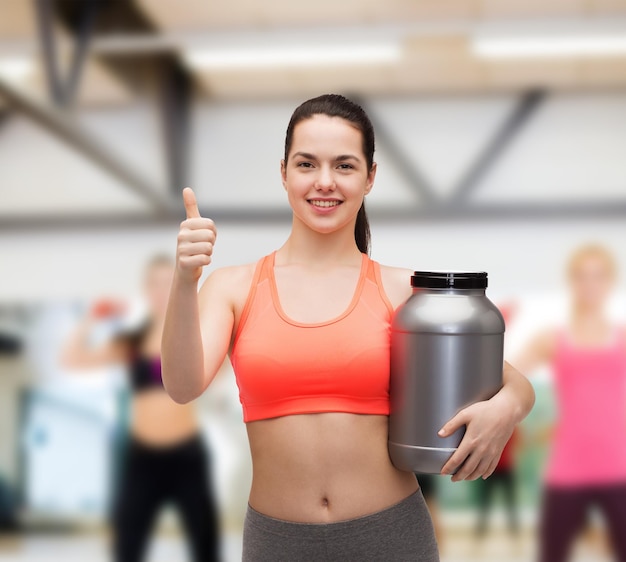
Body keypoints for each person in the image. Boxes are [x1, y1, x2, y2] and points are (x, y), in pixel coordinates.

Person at [162, 94, 535, 561]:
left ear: (370, 176)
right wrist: (184, 279)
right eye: (306, 164)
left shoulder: (403, 291)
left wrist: (507, 410)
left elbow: (511, 381)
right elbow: (181, 385)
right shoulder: (233, 286)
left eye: (344, 165)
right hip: (278, 544)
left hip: (391, 536)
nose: (324, 182)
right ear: (283, 173)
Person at [62, 255, 220, 562]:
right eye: (155, 284)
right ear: (146, 289)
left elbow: (226, 366)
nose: (161, 290)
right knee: (127, 547)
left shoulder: (195, 337)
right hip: (142, 458)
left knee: (205, 546)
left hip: (187, 457)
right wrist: (91, 319)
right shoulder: (130, 342)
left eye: (168, 282)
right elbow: (73, 359)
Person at [515, 244, 626, 562]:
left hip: (618, 467)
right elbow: (507, 376)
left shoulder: (623, 337)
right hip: (568, 469)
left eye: (598, 276)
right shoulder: (551, 338)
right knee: (553, 555)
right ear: (572, 282)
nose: (590, 284)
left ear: (610, 282)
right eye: (582, 276)